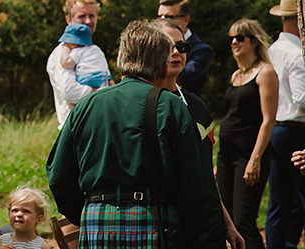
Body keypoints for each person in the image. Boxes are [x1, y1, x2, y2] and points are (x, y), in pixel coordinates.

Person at [46, 20, 227, 249]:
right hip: (152, 220)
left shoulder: (86, 105)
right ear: (162, 65)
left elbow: (58, 175)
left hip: (96, 222)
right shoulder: (170, 106)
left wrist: (88, 212)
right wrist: (211, 238)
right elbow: (195, 183)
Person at [155, 17, 243, 249]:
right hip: (163, 226)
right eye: (167, 46)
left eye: (181, 47)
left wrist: (228, 224)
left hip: (202, 226)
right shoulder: (144, 105)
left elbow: (204, 172)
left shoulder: (197, 106)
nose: (176, 52)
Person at [216, 19, 278, 249]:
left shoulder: (265, 72)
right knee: (227, 220)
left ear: (253, 41)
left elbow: (268, 119)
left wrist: (255, 159)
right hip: (226, 157)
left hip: (248, 155)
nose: (234, 42)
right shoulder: (236, 75)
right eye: (231, 38)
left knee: (244, 221)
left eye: (240, 37)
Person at [264, 0, 305, 249]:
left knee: (279, 202)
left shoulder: (272, 50)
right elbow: (302, 98)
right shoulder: (296, 54)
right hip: (297, 131)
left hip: (276, 129)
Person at [46, 0, 100, 130]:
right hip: (75, 131)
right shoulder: (61, 53)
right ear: (68, 20)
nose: (88, 21)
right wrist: (103, 92)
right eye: (82, 16)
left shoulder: (93, 50)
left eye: (91, 15)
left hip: (97, 128)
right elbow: (69, 92)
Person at [157, 0, 214, 97]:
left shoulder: (202, 50)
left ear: (186, 20)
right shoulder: (152, 46)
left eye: (169, 17)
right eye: (159, 17)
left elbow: (182, 77)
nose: (162, 22)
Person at [56, 23, 111, 90]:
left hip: (86, 78)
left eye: (67, 43)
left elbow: (65, 63)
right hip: (103, 78)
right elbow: (103, 64)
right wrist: (109, 78)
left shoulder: (78, 51)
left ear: (74, 43)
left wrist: (65, 49)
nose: (65, 44)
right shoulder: (96, 49)